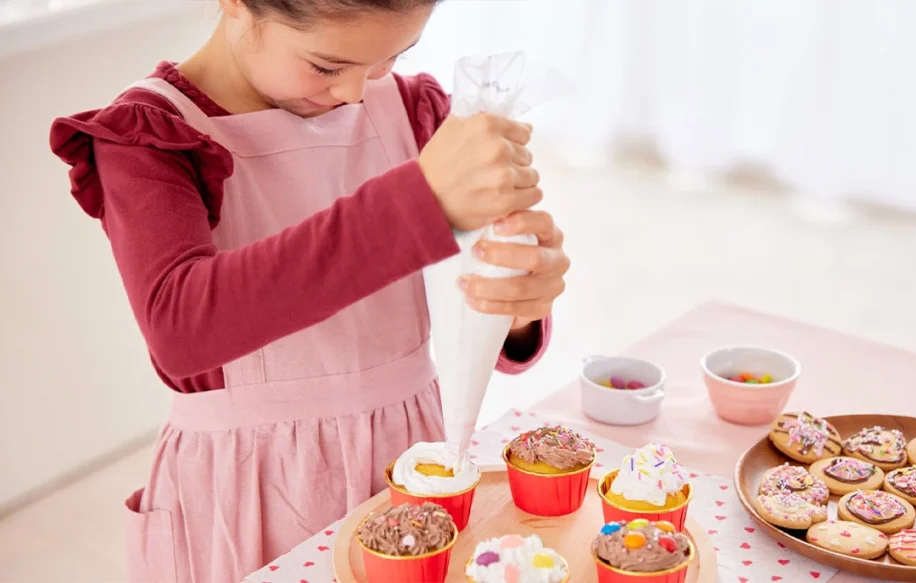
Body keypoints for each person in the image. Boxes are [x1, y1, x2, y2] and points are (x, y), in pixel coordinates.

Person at [48, 0, 569, 581]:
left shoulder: (411, 110)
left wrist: (516, 304)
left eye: (390, 58)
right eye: (326, 66)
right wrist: (417, 203)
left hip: (410, 454)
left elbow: (468, 291)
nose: (354, 92)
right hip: (249, 489)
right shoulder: (150, 135)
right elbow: (181, 330)